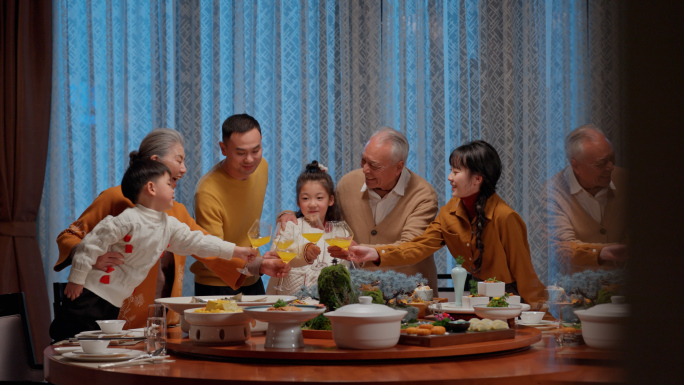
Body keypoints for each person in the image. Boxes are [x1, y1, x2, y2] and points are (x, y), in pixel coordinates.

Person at [55, 129, 289, 329]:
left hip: (163, 321)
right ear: (156, 161)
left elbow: (205, 244)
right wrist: (90, 257)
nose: (185, 168)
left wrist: (258, 264)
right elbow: (71, 236)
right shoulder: (114, 198)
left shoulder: (176, 212)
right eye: (179, 159)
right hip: (111, 315)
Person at [49, 160, 256, 341]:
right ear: (151, 188)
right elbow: (89, 245)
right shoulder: (127, 219)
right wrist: (76, 280)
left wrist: (236, 251)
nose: (174, 186)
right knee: (68, 337)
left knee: (95, 342)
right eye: (168, 182)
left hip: (115, 300)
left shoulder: (169, 224)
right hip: (91, 291)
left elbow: (199, 241)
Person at [344, 140, 547, 305]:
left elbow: (526, 276)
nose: (449, 177)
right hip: (480, 299)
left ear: (477, 179)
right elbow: (419, 246)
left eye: (456, 172)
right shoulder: (450, 211)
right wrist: (376, 253)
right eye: (451, 170)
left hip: (512, 302)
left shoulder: (505, 217)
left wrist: (545, 323)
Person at [282, 127, 440, 290]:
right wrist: (288, 214)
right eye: (363, 160)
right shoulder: (349, 183)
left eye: (374, 165)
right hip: (362, 294)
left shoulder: (423, 195)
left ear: (399, 167)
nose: (365, 169)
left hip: (411, 293)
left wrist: (370, 252)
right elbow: (322, 210)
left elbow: (410, 247)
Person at [193, 114, 269, 295]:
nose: (250, 160)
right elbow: (214, 254)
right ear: (223, 148)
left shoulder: (262, 167)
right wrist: (261, 265)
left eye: (256, 150)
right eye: (240, 153)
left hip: (252, 275)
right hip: (216, 282)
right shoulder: (207, 192)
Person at [546, 124, 627, 281]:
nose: (610, 167)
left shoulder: (627, 181)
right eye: (601, 163)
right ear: (576, 166)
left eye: (612, 158)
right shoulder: (552, 192)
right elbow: (561, 248)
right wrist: (603, 253)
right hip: (577, 291)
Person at [265, 161, 344, 295]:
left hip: (324, 308)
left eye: (319, 198)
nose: (313, 204)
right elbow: (275, 255)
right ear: (298, 201)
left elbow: (343, 272)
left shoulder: (340, 232)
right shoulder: (290, 225)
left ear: (331, 200)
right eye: (306, 198)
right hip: (288, 305)